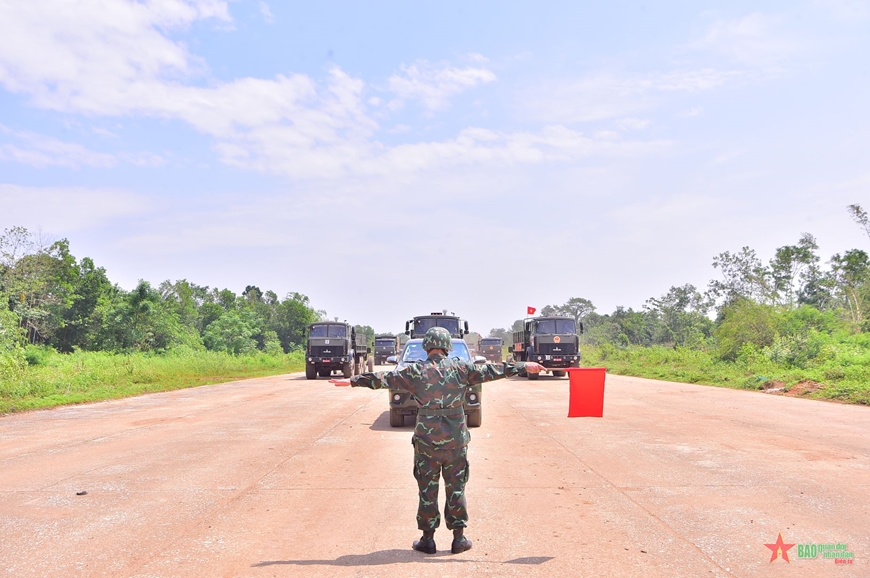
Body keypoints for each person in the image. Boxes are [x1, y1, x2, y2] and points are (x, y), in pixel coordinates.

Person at [330, 326, 544, 555]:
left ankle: (428, 540)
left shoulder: (416, 371)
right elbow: (495, 370)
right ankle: (458, 539)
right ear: (447, 347)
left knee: (427, 490)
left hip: (427, 443)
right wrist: (524, 365)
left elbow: (384, 378)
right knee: (456, 489)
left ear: (427, 347)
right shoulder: (462, 369)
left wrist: (353, 380)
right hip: (455, 442)